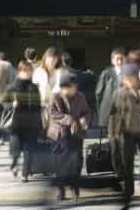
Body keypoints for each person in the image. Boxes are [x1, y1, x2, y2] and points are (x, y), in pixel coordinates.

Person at [108, 63, 140, 207]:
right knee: (127, 164)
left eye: (133, 78)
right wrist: (112, 133)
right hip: (126, 133)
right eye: (127, 78)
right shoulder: (119, 93)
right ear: (123, 79)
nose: (130, 81)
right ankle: (129, 193)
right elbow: (112, 114)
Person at [47, 72, 91, 201]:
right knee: (60, 163)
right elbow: (52, 113)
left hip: (76, 133)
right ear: (62, 87)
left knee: (77, 161)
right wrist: (69, 119)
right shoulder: (55, 97)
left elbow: (87, 111)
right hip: (59, 134)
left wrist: (85, 119)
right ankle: (61, 189)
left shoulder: (81, 96)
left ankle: (75, 186)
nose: (71, 90)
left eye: (72, 87)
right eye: (67, 87)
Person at [5, 61, 42, 182]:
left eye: (29, 71)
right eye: (24, 71)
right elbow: (4, 104)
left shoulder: (34, 87)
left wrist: (40, 125)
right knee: (15, 150)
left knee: (29, 151)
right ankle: (14, 164)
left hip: (31, 124)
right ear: (19, 71)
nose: (27, 73)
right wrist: (11, 104)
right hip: (16, 125)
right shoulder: (12, 87)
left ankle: (25, 174)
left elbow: (38, 107)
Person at [95, 48, 126, 129]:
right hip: (110, 109)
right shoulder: (106, 73)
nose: (119, 62)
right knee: (112, 134)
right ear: (112, 61)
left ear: (125, 59)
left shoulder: (128, 73)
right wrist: (101, 110)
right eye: (117, 59)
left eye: (122, 59)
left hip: (125, 109)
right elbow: (99, 93)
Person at [33, 47, 65, 112]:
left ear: (58, 59)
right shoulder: (38, 72)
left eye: (54, 58)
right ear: (45, 58)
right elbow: (33, 89)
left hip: (58, 108)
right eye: (50, 57)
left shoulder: (62, 72)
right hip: (41, 107)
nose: (52, 60)